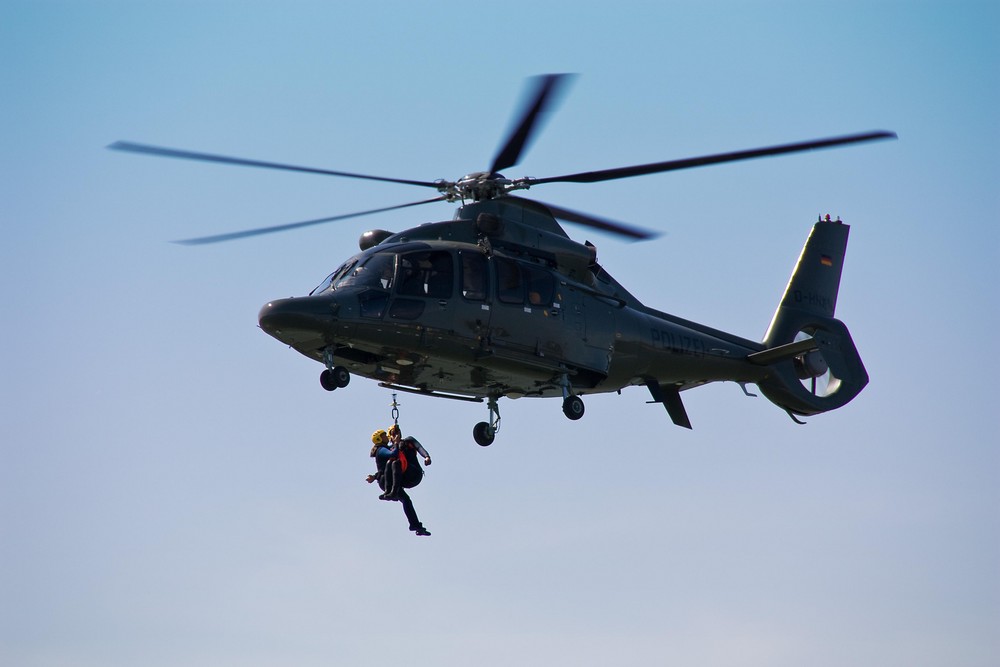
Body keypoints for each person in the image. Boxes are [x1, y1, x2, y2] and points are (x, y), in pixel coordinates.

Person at [366, 426, 431, 537]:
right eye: (391, 434)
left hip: (411, 474)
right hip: (392, 482)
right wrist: (375, 476)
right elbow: (384, 468)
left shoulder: (406, 442)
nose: (393, 435)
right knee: (406, 500)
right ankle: (416, 526)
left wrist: (426, 456)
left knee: (395, 464)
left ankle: (391, 493)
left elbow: (419, 447)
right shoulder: (387, 449)